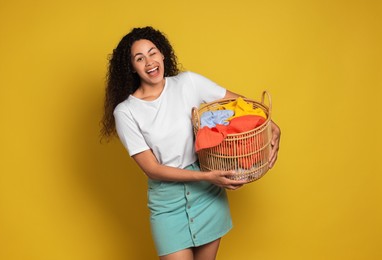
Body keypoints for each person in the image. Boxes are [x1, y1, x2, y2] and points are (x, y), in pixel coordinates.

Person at [101, 26, 281, 260]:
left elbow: (242, 105)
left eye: (152, 52)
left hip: (207, 196)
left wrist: (271, 125)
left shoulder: (188, 83)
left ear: (163, 54)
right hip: (168, 202)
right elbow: (152, 169)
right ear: (132, 67)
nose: (149, 62)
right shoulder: (126, 111)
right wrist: (208, 177)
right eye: (139, 58)